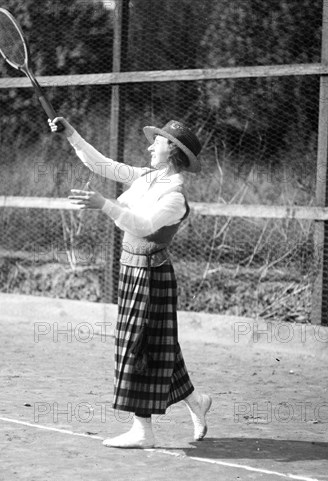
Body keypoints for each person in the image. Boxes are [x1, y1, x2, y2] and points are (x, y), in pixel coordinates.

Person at [49, 117, 212, 449]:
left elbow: (144, 225)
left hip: (152, 274)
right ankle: (195, 401)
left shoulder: (175, 195)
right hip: (132, 269)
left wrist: (104, 205)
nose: (151, 145)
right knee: (156, 345)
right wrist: (71, 135)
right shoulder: (146, 176)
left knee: (137, 346)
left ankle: (143, 431)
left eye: (159, 142)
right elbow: (103, 165)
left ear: (174, 151)